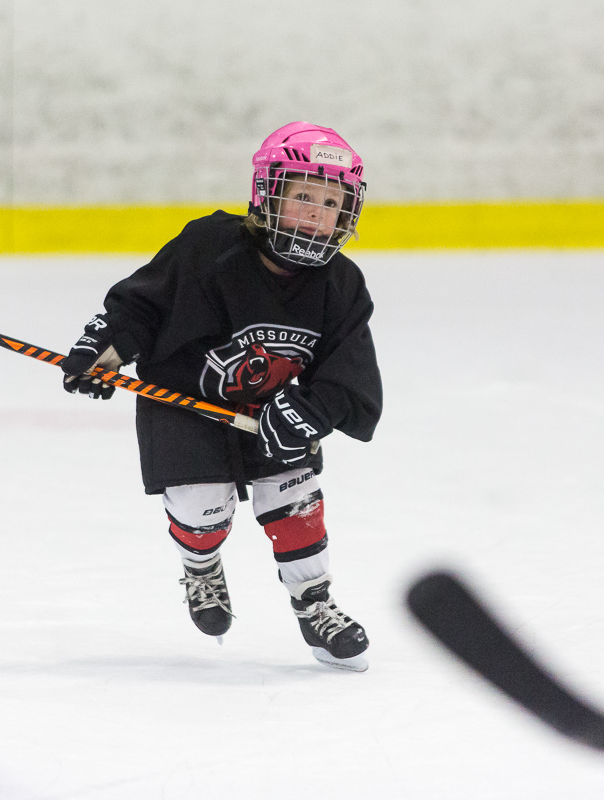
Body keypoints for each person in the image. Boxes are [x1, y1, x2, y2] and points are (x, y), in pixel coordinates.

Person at [59, 122, 382, 671]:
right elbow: (142, 306)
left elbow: (350, 374)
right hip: (183, 402)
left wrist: (309, 412)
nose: (314, 212)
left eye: (330, 202)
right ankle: (201, 565)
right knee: (200, 510)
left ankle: (315, 602)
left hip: (271, 412)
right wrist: (107, 348)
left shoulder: (341, 284)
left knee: (295, 502)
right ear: (267, 194)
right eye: (302, 195)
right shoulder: (208, 247)